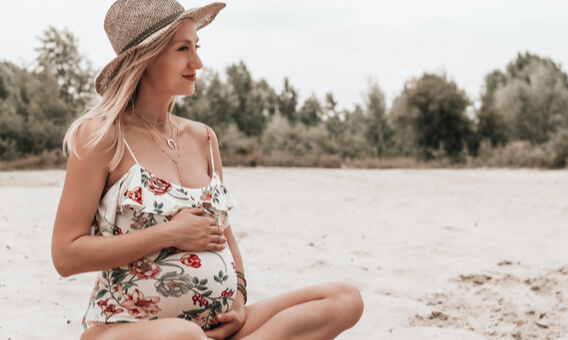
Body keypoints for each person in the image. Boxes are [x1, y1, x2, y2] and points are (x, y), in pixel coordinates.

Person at [50, 1, 364, 339]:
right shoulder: (101, 136)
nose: (197, 62)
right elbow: (65, 255)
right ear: (147, 58)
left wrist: (240, 300)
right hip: (127, 329)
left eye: (196, 47)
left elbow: (225, 235)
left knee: (344, 299)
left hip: (212, 328)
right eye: (183, 49)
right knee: (183, 336)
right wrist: (167, 233)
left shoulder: (203, 137)